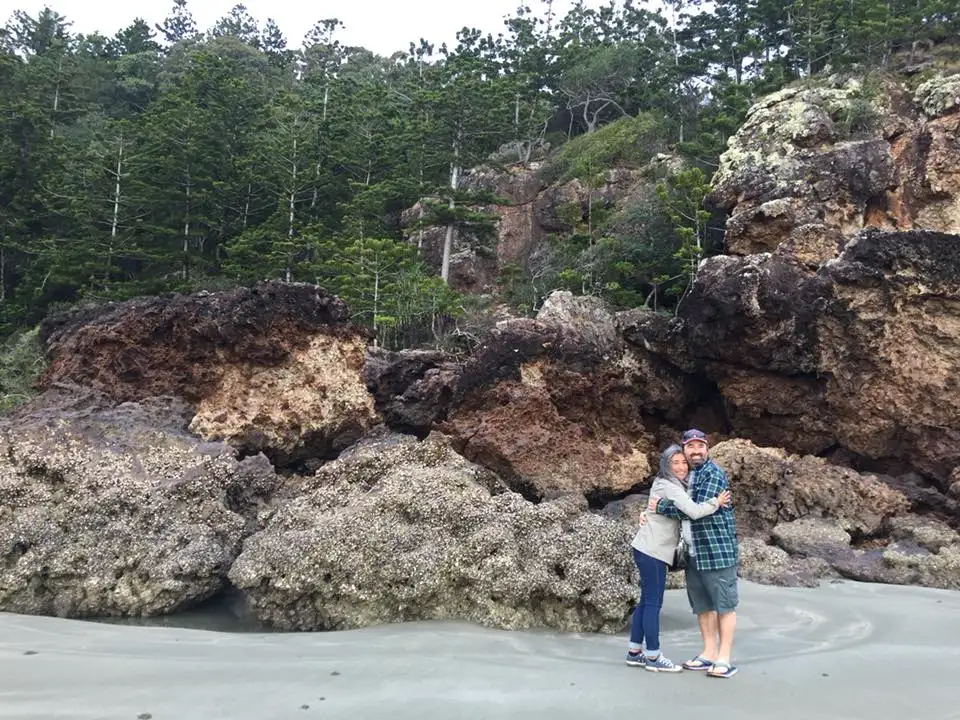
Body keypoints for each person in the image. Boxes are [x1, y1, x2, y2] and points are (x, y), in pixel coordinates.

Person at [627, 444, 731, 672]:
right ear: (666, 465)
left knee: (645, 602)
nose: (682, 466)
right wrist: (717, 502)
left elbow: (661, 509)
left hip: (645, 548)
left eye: (683, 462)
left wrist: (648, 512)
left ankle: (634, 652)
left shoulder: (669, 484)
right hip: (653, 551)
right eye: (675, 462)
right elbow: (693, 511)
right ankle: (653, 656)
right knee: (653, 604)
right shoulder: (670, 486)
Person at [648, 428, 740, 679]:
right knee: (702, 606)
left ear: (707, 449)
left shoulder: (713, 474)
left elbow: (693, 509)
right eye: (691, 447)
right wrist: (649, 511)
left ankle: (724, 658)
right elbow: (671, 498)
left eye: (701, 446)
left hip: (717, 550)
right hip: (693, 552)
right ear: (684, 450)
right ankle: (708, 653)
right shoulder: (685, 476)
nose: (696, 451)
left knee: (724, 605)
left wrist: (660, 507)